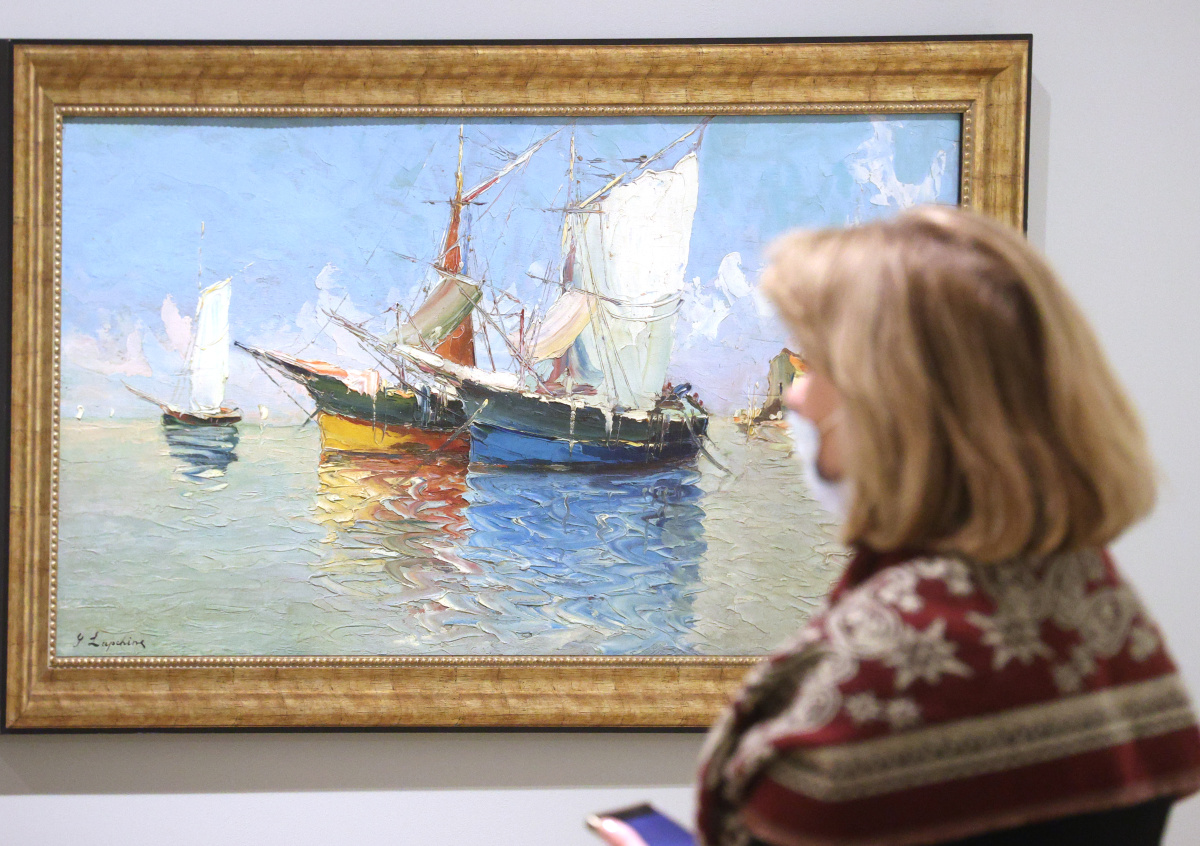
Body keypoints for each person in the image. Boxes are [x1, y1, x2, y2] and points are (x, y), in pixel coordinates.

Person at [697, 206, 1200, 846]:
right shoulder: (1096, 606)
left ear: (897, 403)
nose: (795, 395)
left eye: (817, 365)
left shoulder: (891, 661)